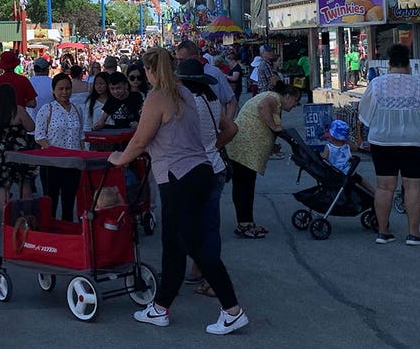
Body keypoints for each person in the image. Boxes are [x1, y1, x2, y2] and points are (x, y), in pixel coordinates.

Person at [108, 48, 248, 335]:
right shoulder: (185, 94)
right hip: (199, 171)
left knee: (192, 244)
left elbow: (139, 140)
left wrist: (118, 159)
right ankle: (160, 307)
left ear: (149, 71)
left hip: (178, 177)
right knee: (173, 243)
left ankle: (232, 310)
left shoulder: (157, 97)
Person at [359, 44, 420, 246]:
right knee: (413, 187)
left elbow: (364, 114)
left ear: (389, 63)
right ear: (408, 63)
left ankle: (383, 232)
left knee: (384, 188)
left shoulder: (377, 84)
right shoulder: (419, 85)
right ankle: (414, 233)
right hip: (414, 142)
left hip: (383, 142)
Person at [176, 59, 238, 297]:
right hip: (216, 166)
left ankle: (210, 276)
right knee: (209, 224)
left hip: (195, 169)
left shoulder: (186, 103)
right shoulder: (210, 100)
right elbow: (231, 129)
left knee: (196, 224)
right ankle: (203, 270)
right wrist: (212, 146)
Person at [224, 82, 302, 239]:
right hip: (244, 149)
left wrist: (272, 144)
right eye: (295, 101)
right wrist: (274, 127)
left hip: (246, 150)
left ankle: (248, 222)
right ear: (287, 96)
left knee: (247, 185)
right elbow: (262, 107)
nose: (295, 105)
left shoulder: (275, 100)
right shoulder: (273, 98)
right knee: (243, 185)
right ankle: (244, 224)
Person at [34, 73, 84, 221]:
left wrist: (82, 157)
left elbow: (81, 135)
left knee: (69, 204)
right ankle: (50, 238)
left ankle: (66, 238)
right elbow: (40, 136)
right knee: (51, 203)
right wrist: (53, 152)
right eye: (61, 88)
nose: (64, 92)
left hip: (72, 164)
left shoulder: (77, 110)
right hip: (52, 165)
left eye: (67, 88)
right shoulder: (46, 109)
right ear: (54, 90)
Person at [0, 83, 36, 210]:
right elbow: (31, 127)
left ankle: (5, 215)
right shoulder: (18, 111)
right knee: (24, 182)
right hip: (18, 152)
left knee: (3, 185)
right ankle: (26, 212)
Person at [175, 40, 237, 118]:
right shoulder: (177, 76)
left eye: (182, 60)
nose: (178, 63)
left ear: (194, 57)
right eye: (177, 59)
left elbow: (232, 101)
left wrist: (228, 124)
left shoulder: (215, 73)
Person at [27, 57, 54, 122]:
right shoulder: (53, 82)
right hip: (49, 123)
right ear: (47, 69)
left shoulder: (28, 82)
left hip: (31, 122)